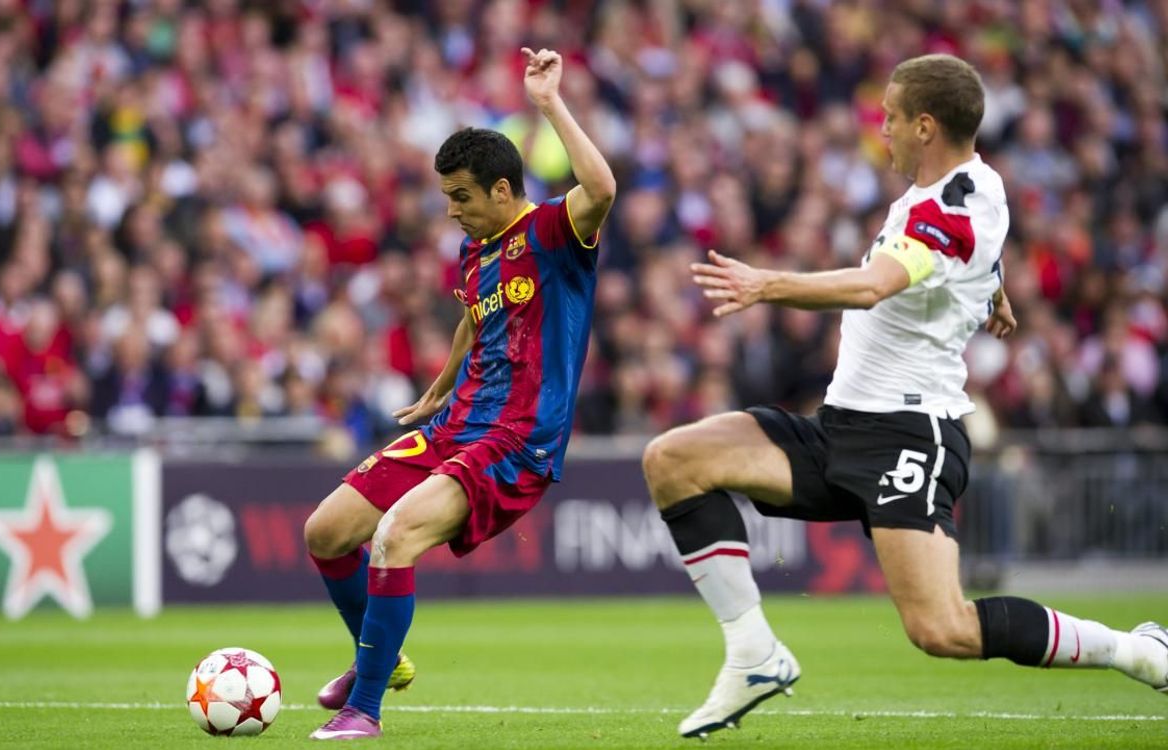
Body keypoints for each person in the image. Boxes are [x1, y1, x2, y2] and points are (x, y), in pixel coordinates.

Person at [642, 54, 1168, 740]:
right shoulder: (974, 188)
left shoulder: (944, 208)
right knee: (673, 460)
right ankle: (753, 654)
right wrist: (991, 288)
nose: (879, 129)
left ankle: (1136, 650)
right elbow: (974, 250)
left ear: (925, 125)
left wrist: (766, 284)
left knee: (942, 628)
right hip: (842, 426)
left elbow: (874, 284)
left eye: (889, 117)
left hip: (908, 436)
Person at [303, 47, 616, 741]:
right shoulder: (477, 252)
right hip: (457, 424)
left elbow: (603, 189)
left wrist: (548, 105)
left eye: (461, 198)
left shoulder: (554, 233)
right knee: (326, 531)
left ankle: (367, 708)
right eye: (447, 198)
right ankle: (377, 660)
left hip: (515, 439)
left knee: (396, 535)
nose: (451, 212)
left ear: (502, 191)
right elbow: (477, 318)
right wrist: (440, 386)